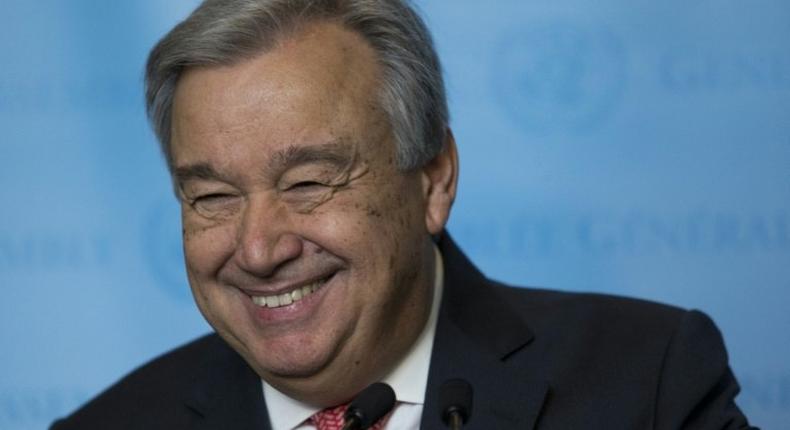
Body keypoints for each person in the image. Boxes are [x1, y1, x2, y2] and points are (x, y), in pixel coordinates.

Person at [51, 1, 756, 429]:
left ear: (433, 182)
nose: (259, 249)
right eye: (211, 197)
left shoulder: (650, 384)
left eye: (308, 182)